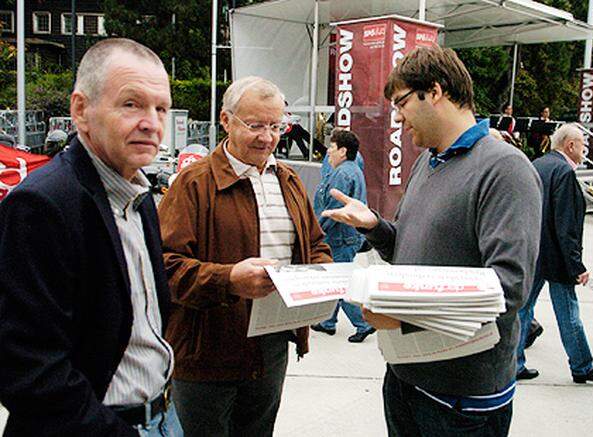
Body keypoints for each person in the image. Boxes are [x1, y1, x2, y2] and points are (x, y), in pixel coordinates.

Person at [321, 45, 542, 436]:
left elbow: (508, 288)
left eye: (402, 103)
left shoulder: (505, 170)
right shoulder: (429, 161)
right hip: (406, 378)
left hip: (462, 400)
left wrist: (403, 317)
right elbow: (406, 248)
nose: (399, 117)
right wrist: (373, 225)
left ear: (435, 92)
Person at [0, 39, 181, 436]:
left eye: (160, 108)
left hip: (163, 416)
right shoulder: (42, 205)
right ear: (80, 110)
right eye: (131, 104)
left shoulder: (140, 194)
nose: (151, 122)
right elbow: (29, 370)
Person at [158, 76, 331, 437]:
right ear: (226, 120)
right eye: (255, 125)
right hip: (207, 351)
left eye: (276, 126)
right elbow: (164, 267)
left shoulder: (289, 180)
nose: (267, 138)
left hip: (271, 347)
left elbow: (316, 245)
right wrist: (229, 279)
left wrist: (322, 275)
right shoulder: (192, 184)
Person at [516, 123, 593, 383]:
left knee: (523, 310)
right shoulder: (564, 172)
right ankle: (582, 366)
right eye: (583, 144)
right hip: (556, 258)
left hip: (534, 253)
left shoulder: (537, 165)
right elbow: (566, 226)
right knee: (568, 313)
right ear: (570, 145)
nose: (585, 149)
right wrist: (576, 266)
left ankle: (514, 363)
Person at [311, 129, 375, 343]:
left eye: (332, 147)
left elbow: (333, 211)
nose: (328, 150)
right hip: (343, 237)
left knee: (340, 283)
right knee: (334, 279)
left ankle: (363, 323)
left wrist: (315, 233)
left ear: (343, 151)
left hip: (339, 238)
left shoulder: (342, 174)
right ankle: (328, 322)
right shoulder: (349, 168)